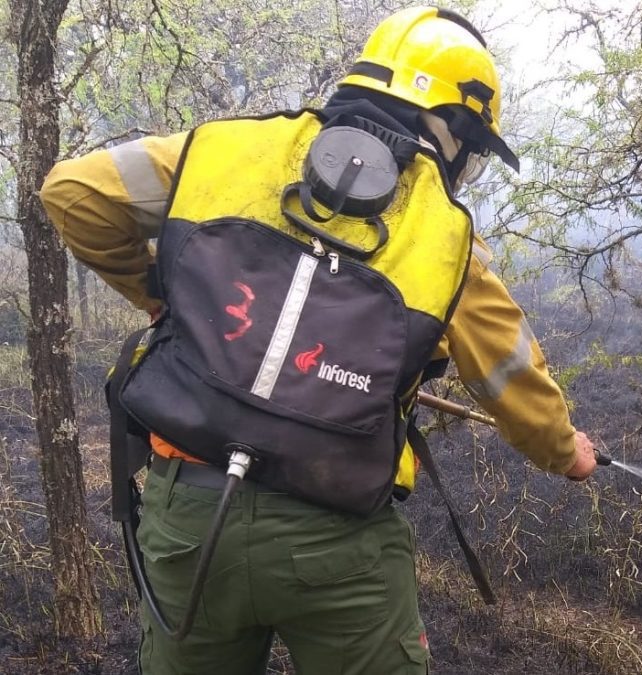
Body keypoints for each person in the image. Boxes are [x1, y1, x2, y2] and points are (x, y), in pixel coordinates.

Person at [40, 6, 597, 674]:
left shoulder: (224, 151)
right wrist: (567, 453)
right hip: (341, 541)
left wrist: (172, 302)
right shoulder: (447, 235)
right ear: (449, 126)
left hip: (189, 517)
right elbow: (511, 377)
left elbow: (73, 193)